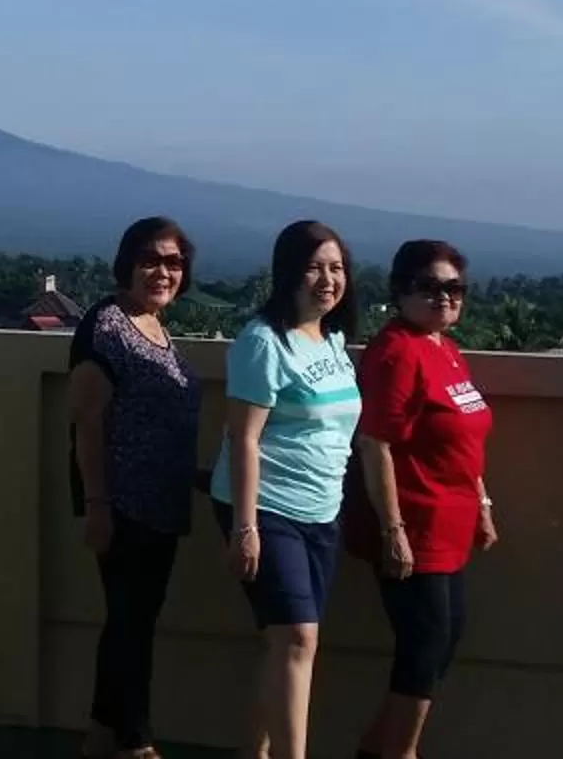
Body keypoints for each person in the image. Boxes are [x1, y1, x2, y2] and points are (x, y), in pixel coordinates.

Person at [209, 220, 359, 759]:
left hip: (322, 512)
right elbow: (244, 438)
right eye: (314, 267)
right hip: (266, 508)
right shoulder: (262, 341)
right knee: (300, 637)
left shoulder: (334, 338)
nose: (327, 279)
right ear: (287, 273)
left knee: (285, 642)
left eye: (336, 267)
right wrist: (245, 529)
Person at [350, 240, 496, 759]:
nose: (443, 298)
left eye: (454, 288)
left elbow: (464, 440)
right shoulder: (396, 351)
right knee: (424, 645)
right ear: (400, 290)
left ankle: (377, 749)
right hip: (416, 525)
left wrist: (481, 504)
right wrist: (394, 531)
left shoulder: (444, 349)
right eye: (429, 287)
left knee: (443, 642)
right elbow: (375, 443)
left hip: (453, 521)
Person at [66, 216, 205, 759]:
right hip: (123, 505)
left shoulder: (157, 328)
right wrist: (98, 505)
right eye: (151, 259)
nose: (163, 271)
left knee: (134, 620)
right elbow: (87, 422)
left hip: (163, 505)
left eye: (173, 262)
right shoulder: (107, 326)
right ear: (126, 263)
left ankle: (100, 736)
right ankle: (135, 740)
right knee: (130, 624)